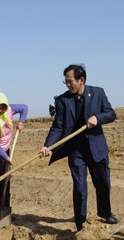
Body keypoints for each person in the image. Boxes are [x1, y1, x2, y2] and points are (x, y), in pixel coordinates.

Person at [40, 64, 119, 231]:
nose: (67, 85)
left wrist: (98, 118)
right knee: (80, 188)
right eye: (66, 82)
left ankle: (105, 213)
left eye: (70, 81)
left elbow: (111, 113)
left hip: (96, 148)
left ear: (81, 80)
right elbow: (58, 126)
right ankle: (80, 222)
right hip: (76, 151)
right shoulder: (62, 100)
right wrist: (48, 145)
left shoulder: (98, 93)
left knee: (103, 184)